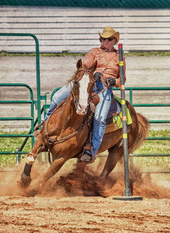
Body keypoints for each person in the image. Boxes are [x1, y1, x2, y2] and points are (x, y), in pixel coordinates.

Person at [42, 26, 125, 163]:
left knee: (99, 118)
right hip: (86, 82)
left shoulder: (118, 57)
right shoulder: (94, 52)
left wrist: (113, 81)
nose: (106, 41)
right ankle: (44, 127)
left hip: (104, 89)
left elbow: (123, 79)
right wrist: (92, 73)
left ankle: (91, 149)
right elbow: (84, 67)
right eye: (103, 38)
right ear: (100, 39)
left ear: (114, 40)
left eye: (109, 39)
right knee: (57, 97)